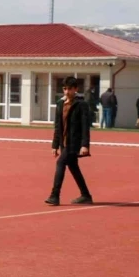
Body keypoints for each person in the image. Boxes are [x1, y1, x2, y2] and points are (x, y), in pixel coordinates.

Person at [45, 76, 93, 207]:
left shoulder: (81, 105)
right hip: (64, 142)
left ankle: (54, 195)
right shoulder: (60, 104)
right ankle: (86, 195)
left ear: (76, 89)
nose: (66, 92)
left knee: (60, 162)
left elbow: (85, 126)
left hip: (74, 143)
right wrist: (55, 145)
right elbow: (58, 126)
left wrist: (84, 145)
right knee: (73, 167)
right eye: (65, 89)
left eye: (70, 89)